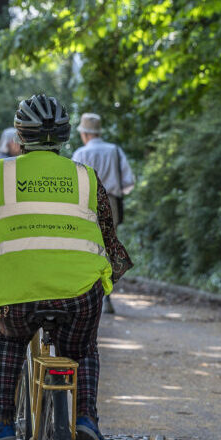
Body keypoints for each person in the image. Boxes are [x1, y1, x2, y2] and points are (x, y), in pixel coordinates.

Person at [0, 94, 133, 440]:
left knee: (8, 339)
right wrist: (114, 267)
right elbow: (108, 236)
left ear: (20, 135)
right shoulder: (86, 177)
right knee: (81, 350)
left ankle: (1, 422)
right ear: (64, 136)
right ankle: (85, 419)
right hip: (78, 294)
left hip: (15, 295)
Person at [71, 112, 135, 315]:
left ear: (86, 134)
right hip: (111, 202)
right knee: (108, 247)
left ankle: (85, 295)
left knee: (85, 247)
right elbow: (129, 182)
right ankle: (107, 296)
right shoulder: (114, 151)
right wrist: (115, 193)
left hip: (86, 204)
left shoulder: (80, 154)